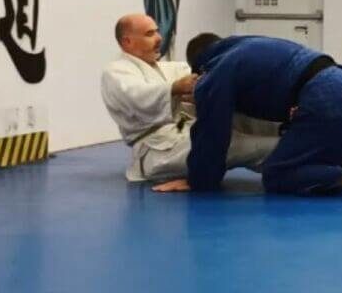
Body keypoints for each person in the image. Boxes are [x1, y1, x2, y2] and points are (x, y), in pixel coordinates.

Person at [151, 34, 342, 196]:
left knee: (277, 174)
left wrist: (199, 180)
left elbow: (212, 131)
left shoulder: (217, 70)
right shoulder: (249, 47)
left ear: (198, 67)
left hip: (325, 99)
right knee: (323, 157)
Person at [100, 14, 277, 182]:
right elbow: (136, 96)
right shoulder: (116, 72)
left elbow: (200, 74)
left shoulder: (166, 68)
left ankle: (284, 129)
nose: (159, 38)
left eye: (157, 31)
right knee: (231, 144)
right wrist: (175, 88)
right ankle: (284, 145)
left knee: (237, 115)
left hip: (180, 127)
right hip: (158, 150)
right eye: (150, 34)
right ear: (127, 41)